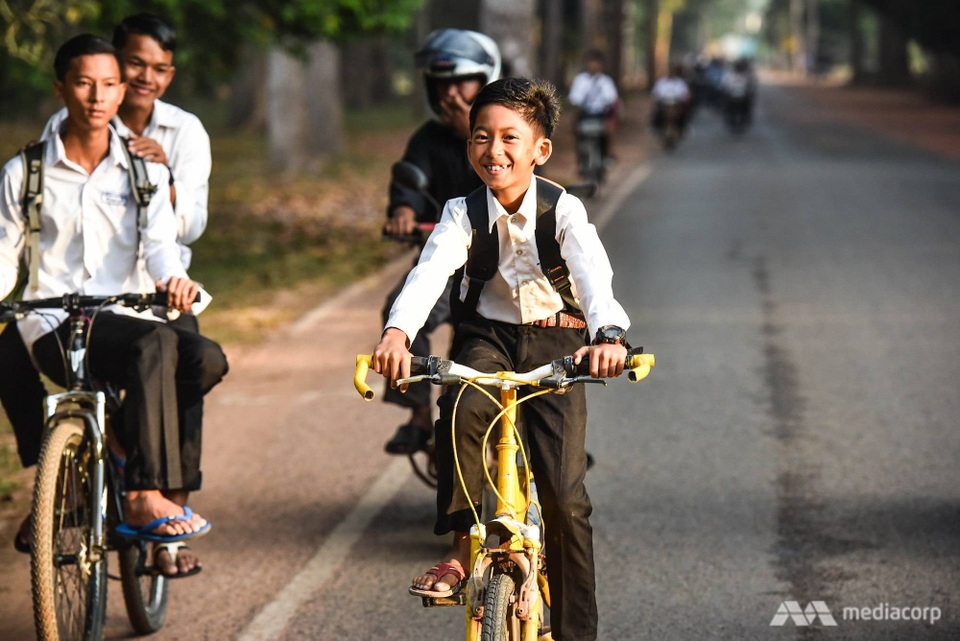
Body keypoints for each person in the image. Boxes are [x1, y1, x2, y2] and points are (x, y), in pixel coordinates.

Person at [372, 77, 631, 641]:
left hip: (560, 343)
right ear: (469, 146)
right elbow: (428, 274)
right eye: (481, 137)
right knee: (461, 406)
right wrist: (397, 333)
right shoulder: (461, 212)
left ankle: (574, 632)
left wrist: (608, 335)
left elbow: (594, 279)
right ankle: (463, 550)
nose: (495, 151)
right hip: (487, 336)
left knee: (565, 500)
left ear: (540, 150)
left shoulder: (563, 210)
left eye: (511, 138)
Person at [0, 34, 227, 574]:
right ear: (61, 89)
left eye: (107, 84)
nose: (96, 97)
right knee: (153, 346)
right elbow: (5, 253)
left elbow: (161, 248)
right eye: (83, 83)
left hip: (127, 312)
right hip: (53, 322)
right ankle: (143, 493)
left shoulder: (144, 170)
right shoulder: (24, 172)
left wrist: (174, 281)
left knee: (205, 358)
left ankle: (123, 448)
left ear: (121, 90)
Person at [380, 28, 501, 455]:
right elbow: (409, 186)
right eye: (442, 83)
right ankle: (417, 412)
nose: (451, 93)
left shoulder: (504, 137)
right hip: (444, 267)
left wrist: (476, 133)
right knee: (400, 312)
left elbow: (507, 187)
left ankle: (539, 430)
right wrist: (404, 213)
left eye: (462, 81)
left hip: (504, 269)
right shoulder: (427, 139)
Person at [567, 48, 620, 164]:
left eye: (596, 63)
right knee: (574, 129)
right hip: (584, 114)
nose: (593, 66)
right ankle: (580, 158)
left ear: (601, 65)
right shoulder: (580, 80)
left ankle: (608, 155)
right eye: (591, 63)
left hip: (601, 114)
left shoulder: (606, 81)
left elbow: (612, 98)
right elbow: (574, 98)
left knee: (610, 130)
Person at [651, 62, 692, 135]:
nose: (671, 73)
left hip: (677, 104)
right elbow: (655, 94)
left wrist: (685, 99)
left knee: (683, 115)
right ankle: (655, 128)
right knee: (656, 114)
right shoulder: (661, 82)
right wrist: (656, 100)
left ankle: (683, 129)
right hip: (663, 104)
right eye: (670, 71)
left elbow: (686, 94)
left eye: (673, 72)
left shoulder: (680, 83)